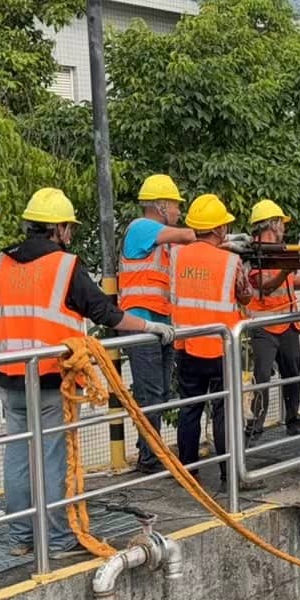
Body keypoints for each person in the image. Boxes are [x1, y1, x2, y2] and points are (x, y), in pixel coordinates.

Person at [0, 187, 172, 559]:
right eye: (68, 228)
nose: (70, 234)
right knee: (57, 457)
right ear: (57, 229)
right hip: (53, 377)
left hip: (10, 375)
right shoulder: (65, 265)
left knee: (18, 457)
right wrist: (150, 327)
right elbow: (105, 312)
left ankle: (20, 536)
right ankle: (58, 540)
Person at [115, 174, 196, 473]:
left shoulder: (161, 241)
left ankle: (150, 449)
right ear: (161, 206)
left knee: (160, 391)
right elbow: (188, 237)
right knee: (150, 392)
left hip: (159, 324)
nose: (178, 212)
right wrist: (203, 231)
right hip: (140, 324)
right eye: (175, 206)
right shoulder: (142, 228)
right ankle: (150, 457)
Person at [170, 194, 251, 489]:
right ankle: (230, 476)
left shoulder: (177, 256)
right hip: (220, 347)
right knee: (223, 411)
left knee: (189, 408)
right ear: (218, 230)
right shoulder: (231, 261)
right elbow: (245, 295)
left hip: (187, 345)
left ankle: (188, 474)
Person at [243, 199, 300, 443]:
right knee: (262, 375)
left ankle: (293, 419)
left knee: (293, 371)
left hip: (288, 322)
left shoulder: (280, 251)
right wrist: (286, 271)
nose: (284, 228)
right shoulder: (253, 253)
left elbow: (288, 283)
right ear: (272, 224)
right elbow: (262, 284)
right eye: (281, 223)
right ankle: (254, 427)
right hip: (263, 325)